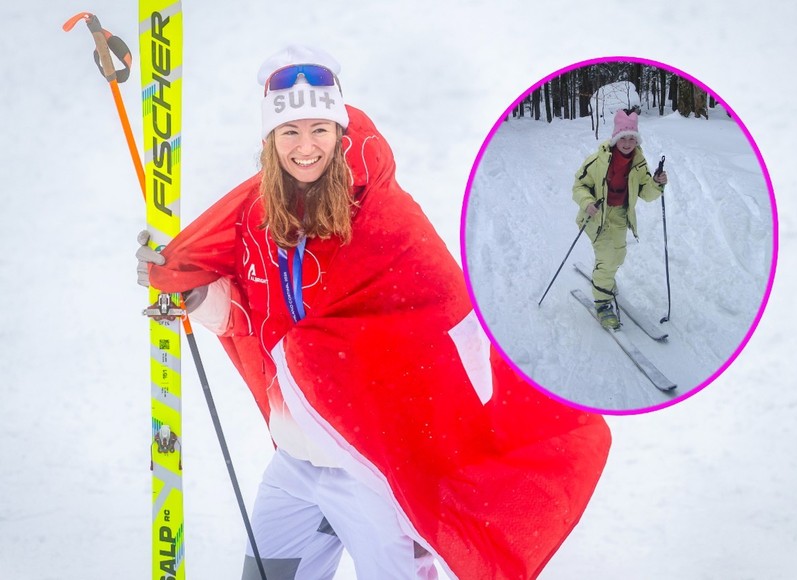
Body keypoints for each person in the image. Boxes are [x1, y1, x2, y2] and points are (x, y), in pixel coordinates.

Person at [138, 44, 611, 579]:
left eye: (319, 129)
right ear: (270, 141)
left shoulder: (384, 218)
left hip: (369, 470)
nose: (305, 146)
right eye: (289, 132)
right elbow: (254, 319)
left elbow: (444, 320)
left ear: (340, 133)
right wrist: (193, 293)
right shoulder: (257, 219)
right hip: (295, 465)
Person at [572, 109, 668, 329]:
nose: (627, 142)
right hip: (595, 216)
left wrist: (657, 183)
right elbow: (578, 185)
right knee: (608, 257)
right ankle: (603, 302)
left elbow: (646, 193)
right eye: (623, 137)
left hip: (620, 217)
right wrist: (587, 202)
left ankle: (604, 278)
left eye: (632, 138)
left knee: (618, 256)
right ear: (615, 138)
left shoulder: (639, 162)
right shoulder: (597, 160)